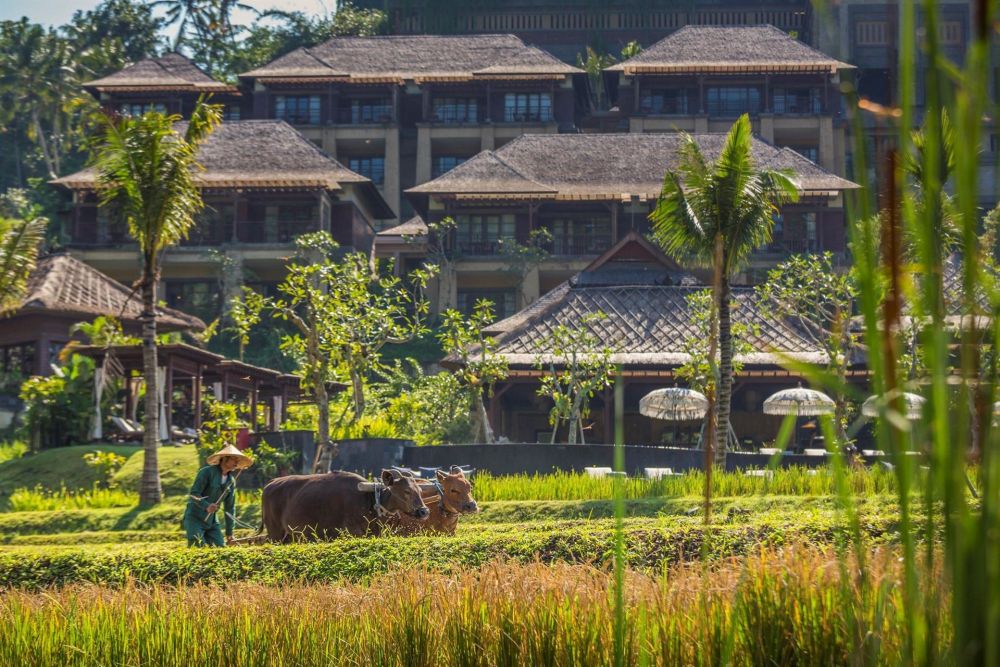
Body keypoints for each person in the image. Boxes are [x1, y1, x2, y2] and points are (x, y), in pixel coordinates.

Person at [183, 444, 253, 547]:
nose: (237, 463)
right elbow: (194, 494)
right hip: (195, 518)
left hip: (211, 521)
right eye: (234, 459)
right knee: (197, 545)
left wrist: (229, 532)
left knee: (221, 548)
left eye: (238, 460)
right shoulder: (206, 472)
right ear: (225, 459)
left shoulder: (231, 481)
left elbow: (230, 507)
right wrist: (206, 505)